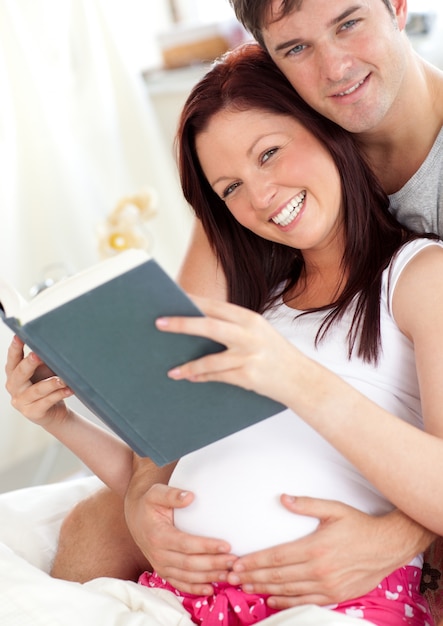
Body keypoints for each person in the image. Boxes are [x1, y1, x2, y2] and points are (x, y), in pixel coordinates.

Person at [7, 0, 443, 612]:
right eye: (231, 188)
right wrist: (77, 437)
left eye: (348, 22)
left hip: (333, 590)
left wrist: (400, 538)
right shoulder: (259, 296)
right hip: (196, 593)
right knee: (86, 530)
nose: (334, 67)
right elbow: (174, 451)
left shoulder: (416, 278)